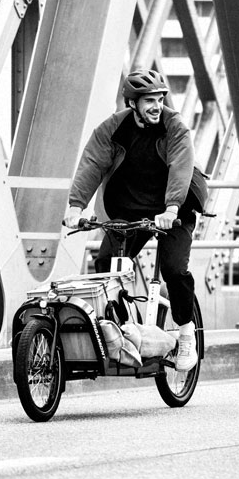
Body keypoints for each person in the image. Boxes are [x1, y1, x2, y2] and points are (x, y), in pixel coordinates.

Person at [63, 69, 208, 371]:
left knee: (173, 268)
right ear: (132, 103)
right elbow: (92, 163)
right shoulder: (112, 129)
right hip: (131, 210)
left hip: (175, 210)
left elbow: (181, 167)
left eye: (159, 99)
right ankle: (125, 331)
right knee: (105, 265)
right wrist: (76, 208)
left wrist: (171, 209)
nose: (157, 106)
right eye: (149, 101)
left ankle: (185, 335)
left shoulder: (174, 127)